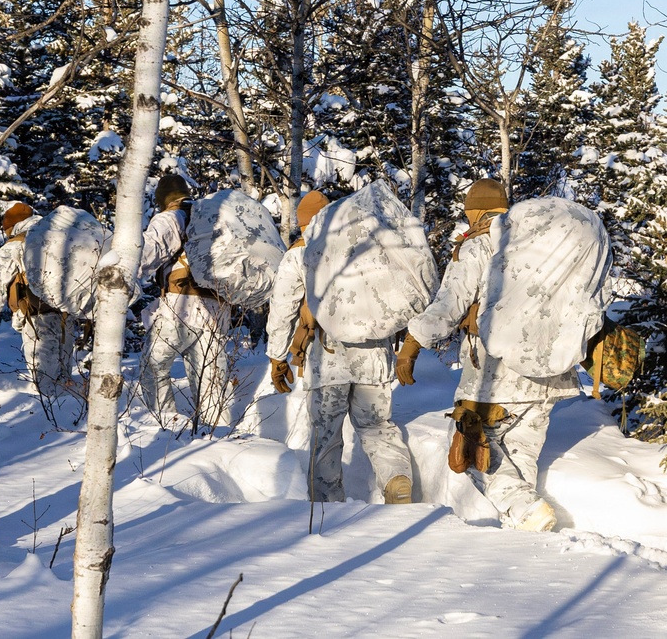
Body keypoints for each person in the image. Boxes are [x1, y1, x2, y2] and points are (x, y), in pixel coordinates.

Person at [395, 178, 580, 532]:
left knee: (476, 454)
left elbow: (448, 306)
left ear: (474, 211)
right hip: (551, 372)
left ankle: (526, 510)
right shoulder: (541, 245)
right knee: (519, 455)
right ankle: (523, 534)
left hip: (497, 376)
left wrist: (411, 345)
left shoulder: (478, 247)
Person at [267, 190, 413, 504]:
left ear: (303, 223)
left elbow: (282, 308)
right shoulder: (367, 247)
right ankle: (397, 481)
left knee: (326, 439)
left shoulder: (299, 254)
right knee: (378, 427)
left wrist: (277, 356)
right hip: (374, 353)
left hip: (326, 356)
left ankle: (327, 506)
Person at [137, 173, 231, 430]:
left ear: (163, 200)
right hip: (218, 309)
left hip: (182, 307)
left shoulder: (170, 218)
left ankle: (164, 426)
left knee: (152, 366)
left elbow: (147, 254)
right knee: (209, 379)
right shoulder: (211, 218)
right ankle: (216, 433)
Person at [0, 202, 77, 399]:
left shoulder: (15, 245)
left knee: (46, 387)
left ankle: (50, 425)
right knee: (66, 383)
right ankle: (73, 421)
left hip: (38, 318)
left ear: (12, 226)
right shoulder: (60, 237)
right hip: (68, 316)